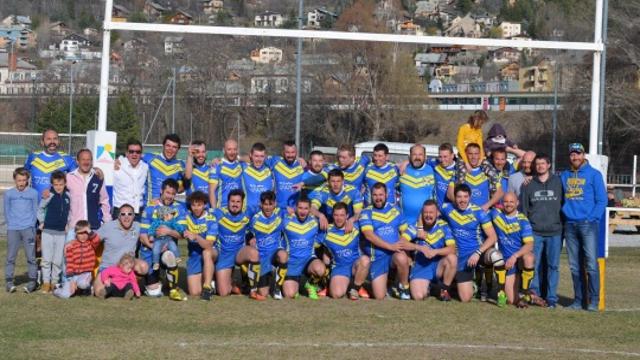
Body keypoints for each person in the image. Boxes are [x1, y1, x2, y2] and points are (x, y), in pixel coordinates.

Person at [561, 143, 607, 311]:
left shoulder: (594, 175)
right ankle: (578, 300)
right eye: (572, 154)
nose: (575, 157)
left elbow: (602, 200)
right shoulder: (564, 175)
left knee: (591, 265)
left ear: (584, 155)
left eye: (578, 154)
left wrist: (592, 217)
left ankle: (593, 301)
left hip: (588, 225)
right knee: (574, 265)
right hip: (570, 225)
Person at [441, 184, 505, 304]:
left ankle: (499, 292)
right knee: (466, 298)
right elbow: (428, 210)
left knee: (496, 256)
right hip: (461, 257)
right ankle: (474, 284)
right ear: (454, 198)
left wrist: (477, 252)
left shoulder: (479, 212)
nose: (462, 200)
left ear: (470, 197)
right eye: (459, 197)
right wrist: (420, 228)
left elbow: (493, 237)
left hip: (478, 252)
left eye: (465, 197)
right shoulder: (447, 209)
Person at [521, 153, 563, 308]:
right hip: (535, 232)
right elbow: (524, 210)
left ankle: (551, 297)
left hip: (555, 232)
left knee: (553, 266)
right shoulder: (528, 185)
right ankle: (535, 295)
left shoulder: (558, 182)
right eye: (537, 164)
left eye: (543, 163)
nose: (540, 166)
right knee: (535, 264)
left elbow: (564, 204)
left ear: (549, 165)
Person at [360, 182, 412, 300]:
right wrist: (390, 246)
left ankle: (403, 287)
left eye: (381, 195)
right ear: (371, 196)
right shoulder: (366, 212)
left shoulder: (396, 210)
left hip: (394, 253)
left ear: (387, 194)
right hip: (377, 257)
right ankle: (384, 284)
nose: (378, 198)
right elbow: (369, 235)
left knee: (402, 258)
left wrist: (407, 254)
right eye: (375, 195)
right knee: (379, 296)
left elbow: (405, 233)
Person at [139, 179, 188, 301]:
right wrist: (155, 247)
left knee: (170, 256)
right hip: (150, 251)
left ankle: (172, 289)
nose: (170, 196)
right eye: (167, 192)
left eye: (173, 194)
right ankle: (157, 276)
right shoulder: (150, 207)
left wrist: (169, 231)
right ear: (161, 191)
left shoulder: (179, 209)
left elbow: (182, 234)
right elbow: (142, 236)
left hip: (168, 248)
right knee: (154, 292)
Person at [213, 189, 263, 300]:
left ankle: (253, 290)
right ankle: (231, 282)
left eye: (238, 202)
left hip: (239, 252)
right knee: (223, 293)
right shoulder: (219, 213)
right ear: (228, 202)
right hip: (224, 254)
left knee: (253, 253)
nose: (235, 204)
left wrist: (251, 237)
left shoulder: (248, 212)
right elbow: (201, 211)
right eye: (232, 201)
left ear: (242, 203)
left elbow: (266, 206)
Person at [92, 204, 148, 297]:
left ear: (134, 216)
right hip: (108, 268)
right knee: (99, 292)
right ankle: (121, 286)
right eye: (123, 214)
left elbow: (151, 233)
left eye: (130, 214)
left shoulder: (138, 227)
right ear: (118, 216)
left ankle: (132, 283)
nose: (126, 217)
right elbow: (93, 241)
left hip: (128, 267)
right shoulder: (108, 227)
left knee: (144, 267)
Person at [490, 192, 535, 307]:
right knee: (511, 300)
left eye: (511, 201)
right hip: (504, 262)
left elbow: (529, 244)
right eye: (505, 201)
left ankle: (525, 293)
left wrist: (515, 256)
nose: (508, 204)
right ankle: (526, 294)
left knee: (529, 257)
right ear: (501, 203)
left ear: (517, 203)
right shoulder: (496, 214)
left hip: (517, 260)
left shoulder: (522, 220)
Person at [317, 202, 370, 300]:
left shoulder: (355, 226)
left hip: (355, 266)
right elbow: (313, 245)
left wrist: (353, 219)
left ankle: (355, 288)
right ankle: (347, 284)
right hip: (340, 267)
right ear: (332, 215)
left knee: (365, 260)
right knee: (336, 294)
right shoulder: (326, 230)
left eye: (342, 215)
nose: (339, 218)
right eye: (336, 215)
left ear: (347, 216)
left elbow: (366, 211)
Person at [407, 200, 457, 301]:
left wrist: (436, 252)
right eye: (426, 212)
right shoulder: (416, 227)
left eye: (431, 212)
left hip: (437, 266)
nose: (428, 215)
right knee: (418, 296)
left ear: (437, 213)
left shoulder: (443, 226)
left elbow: (452, 248)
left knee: (452, 258)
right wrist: (420, 248)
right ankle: (432, 287)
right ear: (422, 213)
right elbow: (402, 243)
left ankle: (444, 290)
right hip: (421, 267)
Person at [281, 197, 326, 300]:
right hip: (291, 262)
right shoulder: (286, 220)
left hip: (308, 260)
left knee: (320, 269)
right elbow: (274, 208)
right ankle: (292, 282)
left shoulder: (315, 221)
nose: (302, 211)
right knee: (289, 295)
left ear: (310, 209)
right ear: (295, 208)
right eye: (300, 208)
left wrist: (321, 215)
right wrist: (284, 208)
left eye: (306, 208)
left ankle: (310, 284)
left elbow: (321, 237)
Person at [4, 167, 39, 293]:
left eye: (24, 180)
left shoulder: (33, 193)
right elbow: (7, 211)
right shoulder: (9, 194)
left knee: (31, 256)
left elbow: (36, 211)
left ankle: (32, 281)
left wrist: (31, 225)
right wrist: (11, 224)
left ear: (27, 180)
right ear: (15, 180)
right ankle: (9, 281)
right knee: (10, 257)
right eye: (19, 180)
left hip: (28, 229)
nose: (21, 183)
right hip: (13, 229)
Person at [248, 191, 288, 300]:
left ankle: (277, 289)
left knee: (283, 254)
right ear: (261, 204)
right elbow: (248, 234)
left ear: (275, 204)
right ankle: (270, 272)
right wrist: (250, 239)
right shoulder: (255, 219)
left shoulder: (280, 216)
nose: (268, 207)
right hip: (262, 257)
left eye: (270, 204)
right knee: (263, 293)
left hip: (275, 252)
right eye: (265, 204)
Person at [36, 171, 70, 293]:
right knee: (46, 259)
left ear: (65, 183)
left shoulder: (68, 196)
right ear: (52, 184)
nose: (58, 187)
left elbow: (70, 212)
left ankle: (55, 282)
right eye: (55, 184)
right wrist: (41, 222)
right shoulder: (48, 195)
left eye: (61, 184)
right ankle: (46, 282)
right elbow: (40, 209)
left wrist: (68, 224)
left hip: (61, 233)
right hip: (48, 232)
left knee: (58, 260)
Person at [179, 191, 217, 300]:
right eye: (193, 205)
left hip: (211, 252)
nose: (196, 208)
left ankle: (207, 287)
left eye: (199, 205)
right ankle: (209, 278)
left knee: (206, 252)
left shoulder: (211, 219)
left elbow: (209, 245)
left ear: (204, 205)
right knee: (194, 292)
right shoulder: (187, 217)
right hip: (194, 255)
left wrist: (196, 237)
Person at [447, 143, 503, 211]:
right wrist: (461, 205)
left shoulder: (487, 171)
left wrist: (486, 206)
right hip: (465, 214)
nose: (473, 157)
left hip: (483, 214)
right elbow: (449, 194)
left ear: (480, 155)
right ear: (466, 155)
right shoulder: (459, 172)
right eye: (470, 154)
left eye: (476, 154)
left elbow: (500, 193)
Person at [23, 129, 77, 198]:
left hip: (57, 206)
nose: (52, 142)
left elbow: (77, 180)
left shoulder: (67, 158)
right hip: (35, 206)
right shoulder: (33, 157)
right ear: (42, 142)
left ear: (59, 141)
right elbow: (22, 177)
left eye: (55, 139)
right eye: (48, 139)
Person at [53, 220, 100, 299]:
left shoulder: (91, 244)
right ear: (76, 234)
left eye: (85, 233)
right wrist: (72, 281)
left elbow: (97, 240)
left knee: (83, 284)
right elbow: (70, 263)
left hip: (86, 273)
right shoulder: (71, 245)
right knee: (65, 295)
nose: (83, 235)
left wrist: (88, 230)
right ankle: (57, 289)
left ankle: (85, 288)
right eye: (80, 233)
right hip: (74, 275)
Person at [66, 149, 111, 230]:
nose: (86, 162)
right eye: (83, 159)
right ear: (77, 161)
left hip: (93, 228)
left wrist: (107, 222)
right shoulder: (68, 178)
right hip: (74, 228)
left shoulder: (98, 177)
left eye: (88, 159)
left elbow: (104, 201)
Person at [141, 133, 185, 203]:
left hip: (167, 210)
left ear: (178, 149)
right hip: (149, 208)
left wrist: (174, 190)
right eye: (168, 145)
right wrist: (118, 161)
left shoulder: (181, 165)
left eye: (174, 147)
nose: (170, 149)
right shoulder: (149, 158)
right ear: (163, 145)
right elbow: (131, 158)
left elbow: (185, 186)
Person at [399, 144, 435, 225]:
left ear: (425, 157)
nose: (417, 157)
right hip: (404, 223)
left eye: (420, 154)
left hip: (426, 224)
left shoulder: (432, 170)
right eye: (414, 154)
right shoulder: (402, 170)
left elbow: (446, 160)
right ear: (409, 156)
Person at [112, 139, 148, 221]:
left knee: (136, 233)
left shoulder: (145, 167)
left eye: (138, 152)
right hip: (120, 211)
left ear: (141, 154)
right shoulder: (117, 165)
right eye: (131, 151)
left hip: (138, 211)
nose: (134, 154)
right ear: (126, 153)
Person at [266, 141, 305, 211]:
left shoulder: (302, 166)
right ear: (283, 152)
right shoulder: (275, 161)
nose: (290, 155)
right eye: (287, 152)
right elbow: (259, 158)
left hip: (295, 210)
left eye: (293, 152)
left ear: (296, 152)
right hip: (278, 209)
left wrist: (306, 164)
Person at [241, 142, 275, 217]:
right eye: (256, 156)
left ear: (265, 157)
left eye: (261, 156)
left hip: (264, 216)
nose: (259, 159)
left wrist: (299, 159)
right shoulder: (243, 168)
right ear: (250, 155)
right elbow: (230, 161)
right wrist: (218, 160)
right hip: (247, 215)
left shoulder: (271, 171)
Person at [209, 139, 243, 209]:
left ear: (237, 151)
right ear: (224, 150)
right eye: (229, 149)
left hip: (238, 209)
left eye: (234, 149)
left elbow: (253, 158)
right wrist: (214, 210)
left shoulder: (241, 165)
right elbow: (211, 190)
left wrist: (239, 157)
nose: (232, 152)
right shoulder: (216, 165)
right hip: (222, 209)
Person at [149, 206, 184, 271]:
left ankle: (177, 257)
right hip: (158, 240)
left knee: (173, 246)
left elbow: (177, 226)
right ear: (165, 215)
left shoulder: (172, 222)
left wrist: (182, 230)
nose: (173, 216)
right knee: (155, 250)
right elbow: (152, 228)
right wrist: (151, 235)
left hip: (168, 239)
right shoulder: (157, 222)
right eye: (171, 214)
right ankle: (155, 262)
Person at [432, 143, 457, 208]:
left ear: (452, 155)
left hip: (452, 210)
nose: (442, 160)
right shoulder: (435, 164)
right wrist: (406, 162)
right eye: (440, 157)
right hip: (437, 210)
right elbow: (420, 161)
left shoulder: (459, 170)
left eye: (445, 156)